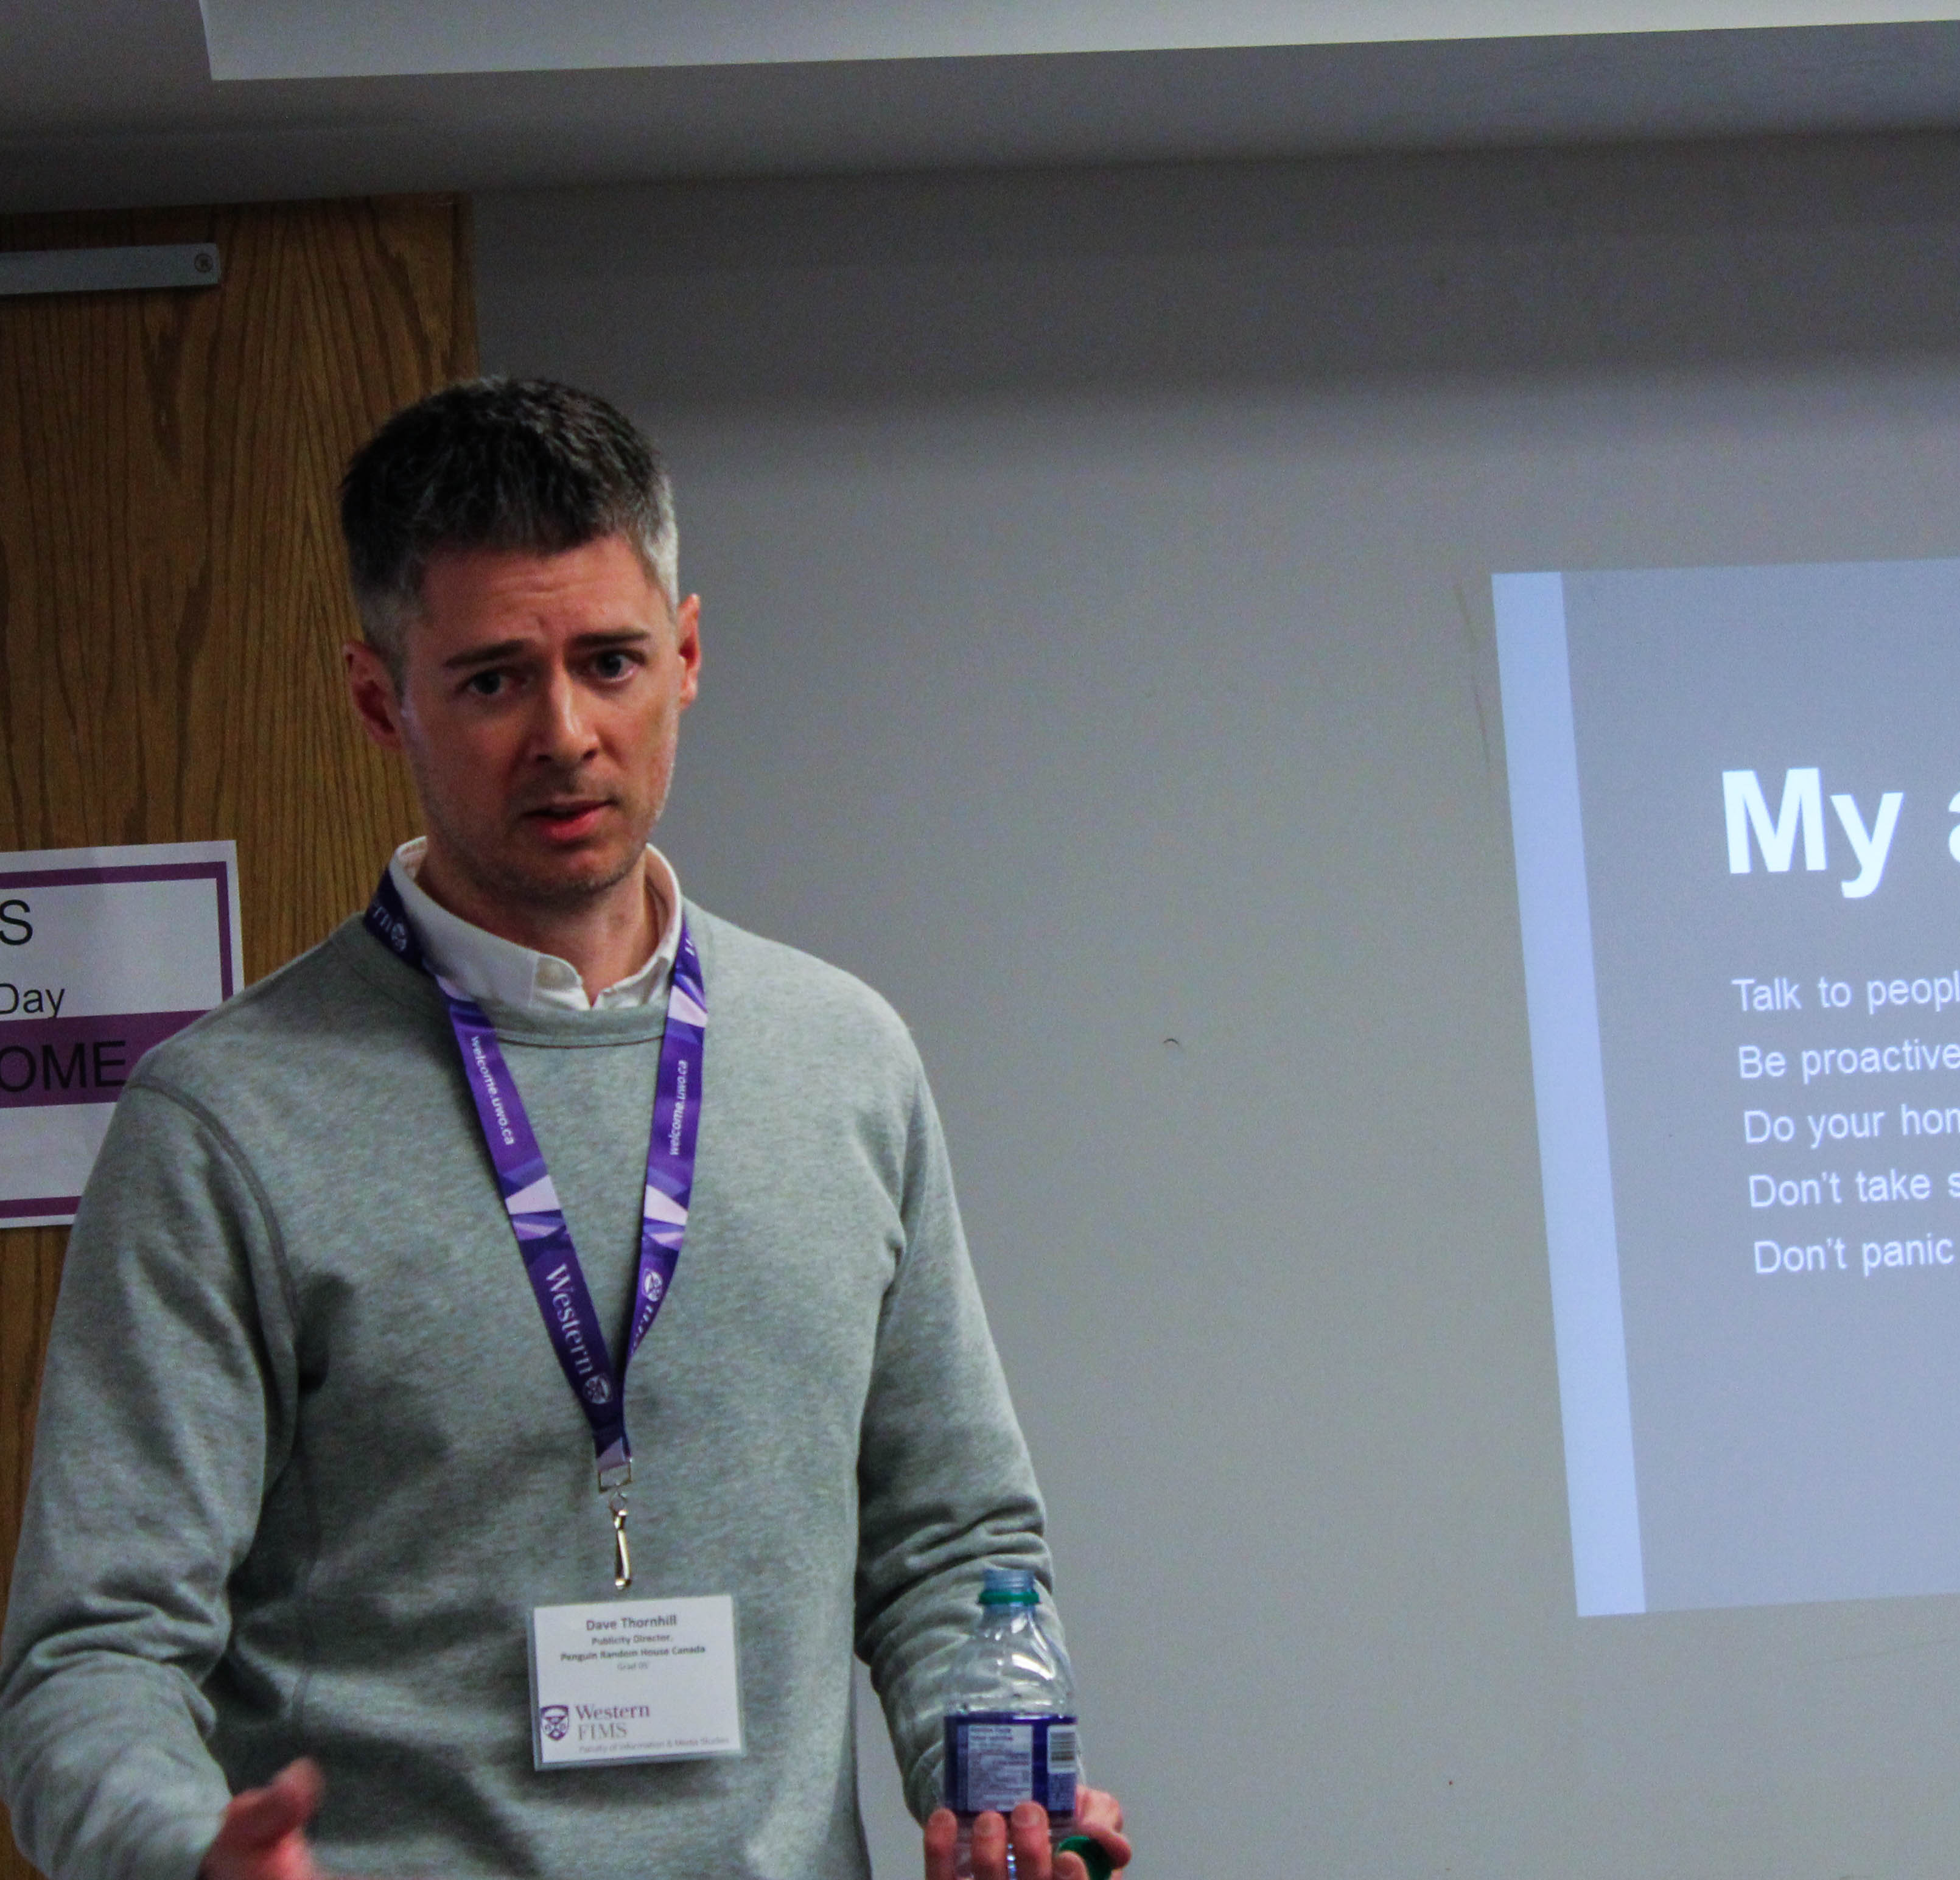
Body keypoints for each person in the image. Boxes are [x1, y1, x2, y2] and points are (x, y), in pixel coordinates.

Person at [0, 379, 1132, 1880]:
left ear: (688, 655)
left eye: (610, 662)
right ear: (377, 699)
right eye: (490, 681)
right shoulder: (224, 1124)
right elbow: (92, 1658)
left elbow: (957, 1547)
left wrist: (994, 1792)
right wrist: (185, 1850)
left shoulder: (844, 1060)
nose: (566, 734)